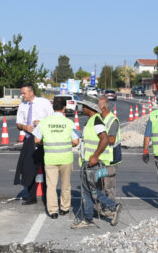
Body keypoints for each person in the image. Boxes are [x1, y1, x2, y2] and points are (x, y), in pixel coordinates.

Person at [75, 100, 120, 228]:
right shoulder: (91, 121)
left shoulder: (96, 120)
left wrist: (95, 156)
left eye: (84, 106)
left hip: (93, 163)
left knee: (90, 190)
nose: (82, 108)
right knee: (89, 190)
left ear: (90, 108)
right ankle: (89, 218)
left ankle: (112, 207)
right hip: (88, 162)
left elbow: (105, 139)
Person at [33, 96, 80, 219]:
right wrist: (67, 144)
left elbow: (36, 140)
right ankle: (64, 208)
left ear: (53, 107)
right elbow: (76, 141)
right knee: (66, 185)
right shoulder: (69, 123)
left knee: (51, 186)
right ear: (64, 108)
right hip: (66, 158)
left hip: (50, 159)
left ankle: (53, 211)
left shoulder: (44, 122)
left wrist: (46, 143)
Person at [14, 83, 53, 204]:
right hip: (29, 139)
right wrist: (24, 127)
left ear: (31, 92)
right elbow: (18, 124)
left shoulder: (44, 103)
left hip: (43, 139)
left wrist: (41, 123)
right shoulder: (22, 106)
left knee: (46, 168)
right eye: (21, 93)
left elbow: (52, 119)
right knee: (27, 168)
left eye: (24, 93)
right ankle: (31, 196)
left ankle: (47, 197)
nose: (22, 95)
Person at [93, 95, 121, 216]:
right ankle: (98, 209)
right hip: (102, 157)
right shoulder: (98, 118)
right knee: (99, 184)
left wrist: (101, 139)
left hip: (111, 159)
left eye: (97, 106)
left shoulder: (112, 120)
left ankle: (111, 208)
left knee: (108, 185)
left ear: (103, 107)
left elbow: (112, 139)